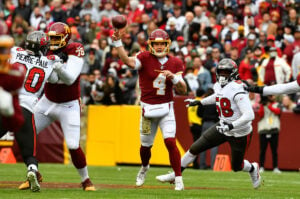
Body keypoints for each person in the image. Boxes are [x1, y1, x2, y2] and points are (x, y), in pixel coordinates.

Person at [156, 58, 262, 189]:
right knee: (195, 148)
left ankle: (252, 168)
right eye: (221, 71)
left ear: (233, 73)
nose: (223, 75)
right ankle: (175, 174)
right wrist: (199, 101)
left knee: (237, 166)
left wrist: (232, 125)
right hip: (223, 125)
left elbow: (249, 115)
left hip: (239, 132)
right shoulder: (218, 85)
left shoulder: (237, 89)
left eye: (226, 72)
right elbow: (217, 97)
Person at [112, 28, 187, 190]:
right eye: (156, 44)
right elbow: (128, 61)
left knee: (170, 141)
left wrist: (173, 78)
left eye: (162, 44)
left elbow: (183, 90)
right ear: (150, 44)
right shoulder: (144, 57)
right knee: (145, 146)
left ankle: (179, 179)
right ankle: (145, 168)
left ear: (167, 44)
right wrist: (118, 43)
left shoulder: (175, 62)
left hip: (167, 108)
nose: (159, 47)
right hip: (148, 110)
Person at [32, 22, 95, 191]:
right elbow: (51, 79)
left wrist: (57, 65)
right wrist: (51, 64)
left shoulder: (75, 49)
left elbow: (69, 79)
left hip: (69, 104)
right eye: (51, 38)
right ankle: (32, 171)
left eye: (56, 38)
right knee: (26, 134)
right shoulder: (45, 50)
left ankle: (86, 180)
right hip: (47, 101)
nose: (52, 42)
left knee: (73, 145)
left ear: (66, 38)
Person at [10, 31, 62, 192]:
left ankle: (32, 170)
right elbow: (54, 79)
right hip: (26, 107)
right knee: (28, 148)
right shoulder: (49, 62)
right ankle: (32, 169)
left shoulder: (15, 52)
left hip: (7, 104)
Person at [257, 95, 282, 174]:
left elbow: (278, 112)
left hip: (274, 129)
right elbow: (260, 114)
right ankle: (261, 167)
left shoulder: (277, 104)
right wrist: (262, 105)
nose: (271, 97)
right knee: (262, 151)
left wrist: (269, 105)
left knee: (274, 151)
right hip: (263, 130)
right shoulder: (262, 105)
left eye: (272, 96)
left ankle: (275, 167)